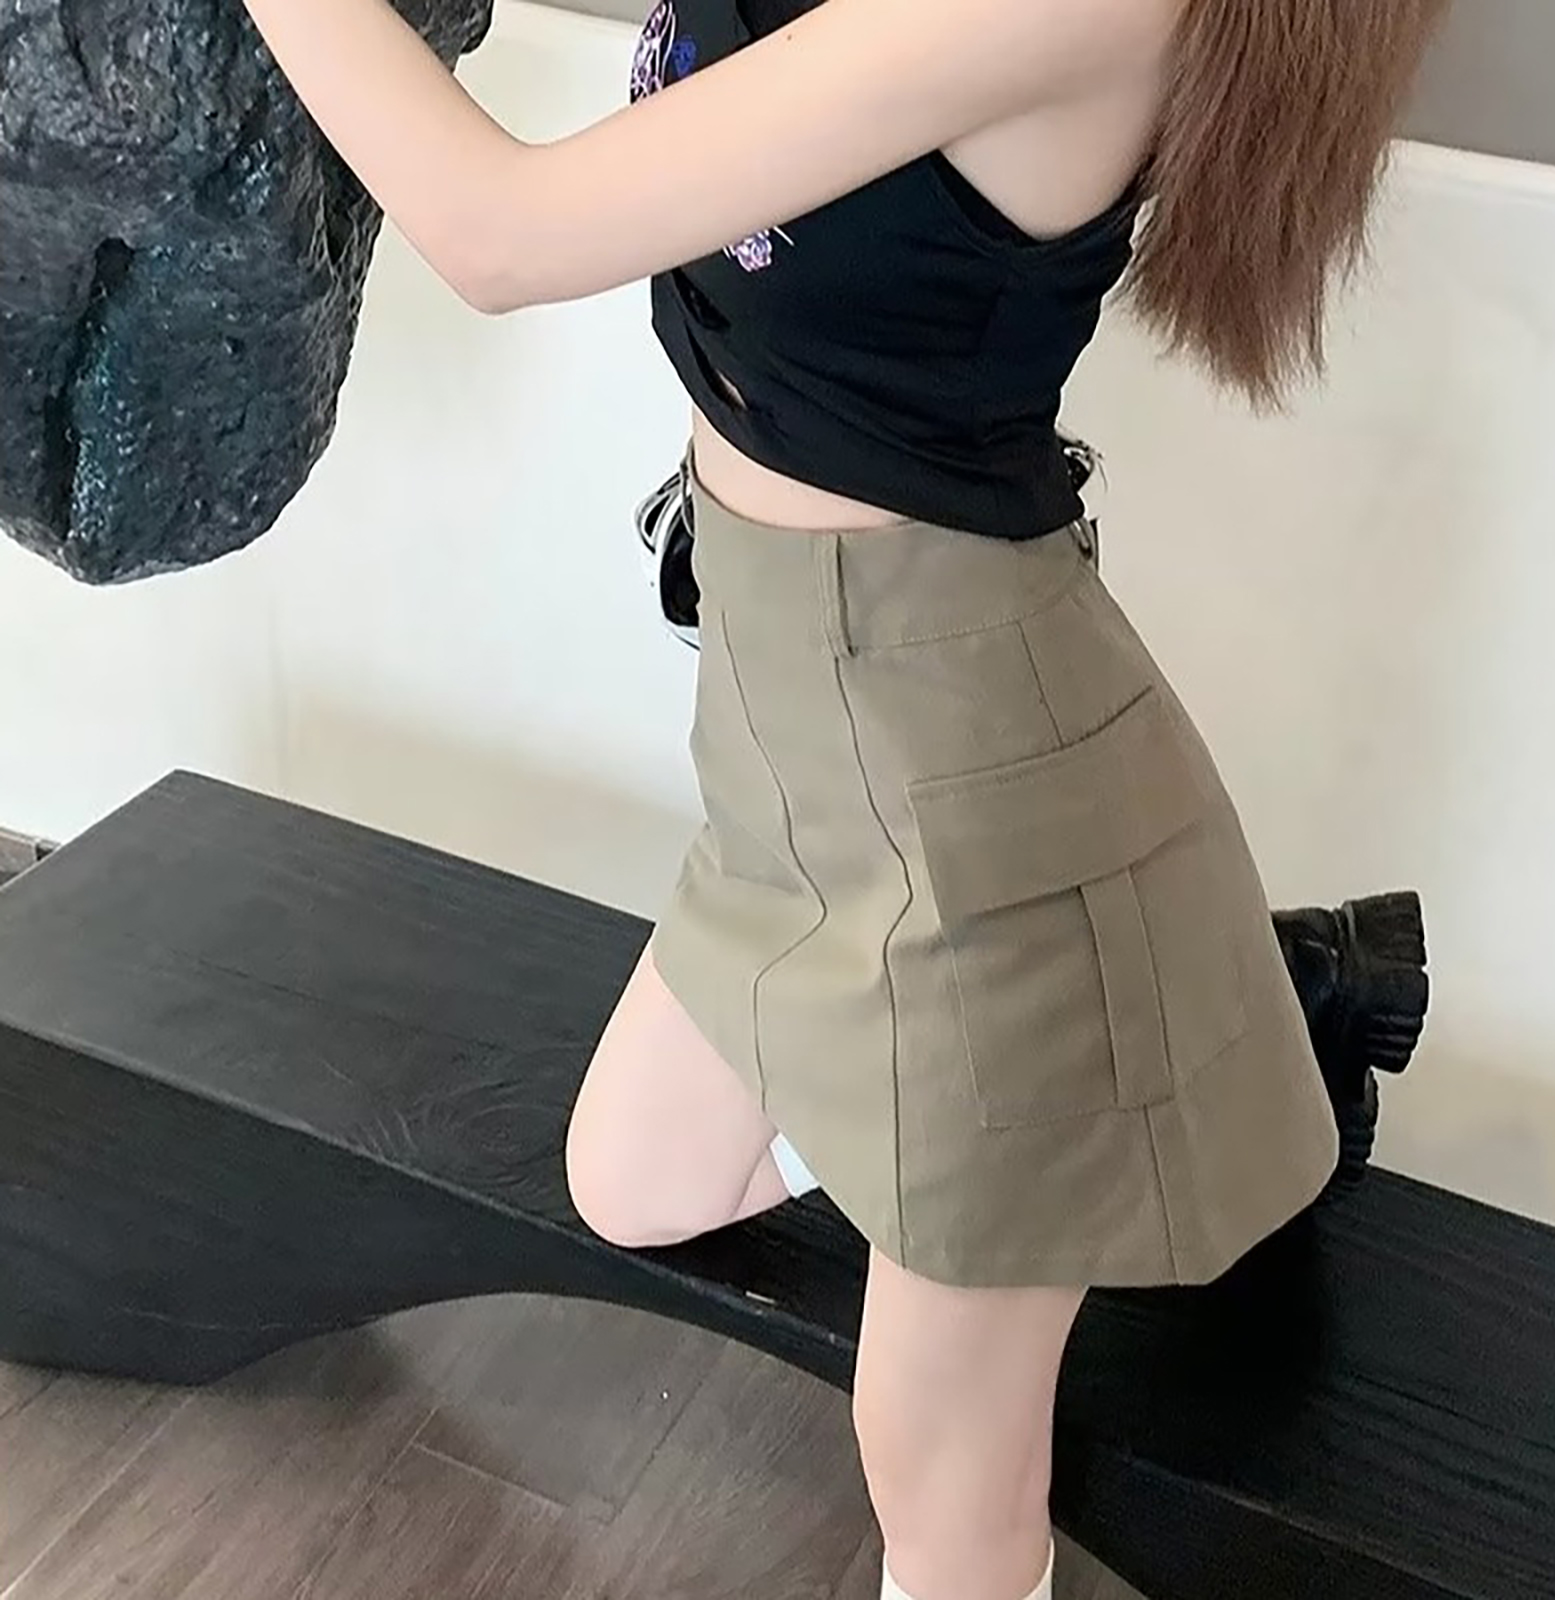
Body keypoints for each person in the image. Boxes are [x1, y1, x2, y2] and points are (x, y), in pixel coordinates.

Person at [237, 1, 1449, 1595]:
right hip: (792, 750)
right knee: (635, 1182)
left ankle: (1105, 1057)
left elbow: (499, 230)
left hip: (967, 809)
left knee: (943, 1494)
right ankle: (1213, 1021)